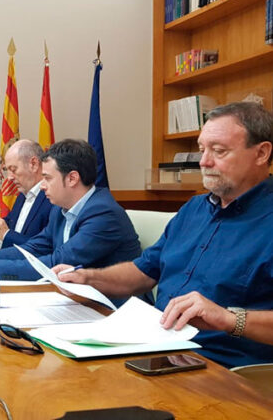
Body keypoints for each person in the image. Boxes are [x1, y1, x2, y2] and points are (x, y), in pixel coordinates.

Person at [54, 102, 273, 369]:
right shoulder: (193, 209)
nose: (204, 161)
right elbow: (143, 272)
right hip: (159, 347)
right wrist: (88, 278)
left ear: (261, 153)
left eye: (219, 151)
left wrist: (228, 319)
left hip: (225, 367)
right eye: (202, 149)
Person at [0, 139, 141, 280]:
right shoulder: (60, 210)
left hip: (111, 309)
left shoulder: (103, 214)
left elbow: (58, 262)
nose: (42, 186)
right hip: (74, 299)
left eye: (47, 178)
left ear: (72, 178)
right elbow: (32, 250)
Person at [0, 139, 52, 248]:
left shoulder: (52, 198)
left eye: (13, 169)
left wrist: (6, 234)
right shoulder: (22, 195)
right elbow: (11, 224)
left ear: (34, 164)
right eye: (7, 170)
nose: (9, 177)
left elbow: (44, 248)